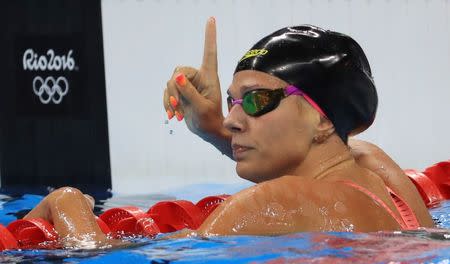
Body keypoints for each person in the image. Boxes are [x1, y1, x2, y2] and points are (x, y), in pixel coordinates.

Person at [24, 18, 434, 247]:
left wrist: (66, 205)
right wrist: (210, 128)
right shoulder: (379, 171)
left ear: (323, 119)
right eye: (232, 102)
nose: (234, 119)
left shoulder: (275, 201)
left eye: (256, 101)